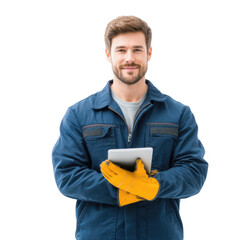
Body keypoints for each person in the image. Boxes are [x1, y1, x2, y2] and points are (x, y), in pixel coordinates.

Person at [52, 15, 208, 240]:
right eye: (121, 50)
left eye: (137, 50)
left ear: (149, 53)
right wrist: (121, 190)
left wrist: (153, 186)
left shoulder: (178, 114)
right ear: (108, 54)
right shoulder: (79, 115)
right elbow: (67, 175)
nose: (129, 58)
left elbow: (194, 172)